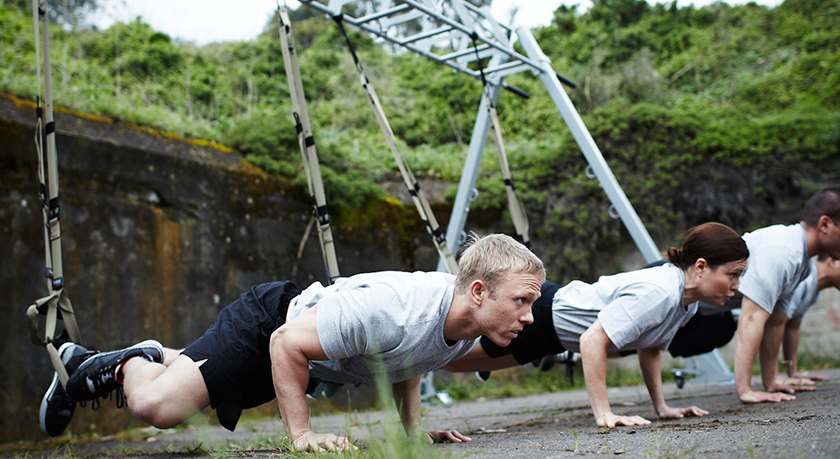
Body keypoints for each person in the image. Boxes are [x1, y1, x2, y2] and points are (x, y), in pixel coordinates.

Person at [41, 233, 545, 450]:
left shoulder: (462, 326)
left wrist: (411, 433)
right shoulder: (394, 307)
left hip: (305, 356)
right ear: (478, 291)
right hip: (271, 327)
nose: (528, 315)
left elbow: (409, 359)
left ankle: (100, 365)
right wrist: (301, 438)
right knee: (156, 408)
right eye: (521, 301)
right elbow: (285, 344)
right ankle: (134, 362)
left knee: (191, 389)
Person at [443, 222, 749, 428]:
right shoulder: (660, 292)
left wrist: (662, 408)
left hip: (553, 336)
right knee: (447, 357)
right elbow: (592, 341)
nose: (736, 285)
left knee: (453, 362)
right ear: (700, 267)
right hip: (545, 316)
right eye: (732, 274)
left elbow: (650, 348)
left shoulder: (685, 301)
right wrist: (604, 414)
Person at [720, 188, 840, 403]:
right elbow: (750, 318)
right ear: (825, 224)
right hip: (674, 288)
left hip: (694, 311)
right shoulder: (783, 251)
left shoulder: (801, 262)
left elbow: (776, 322)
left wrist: (772, 380)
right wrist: (745, 390)